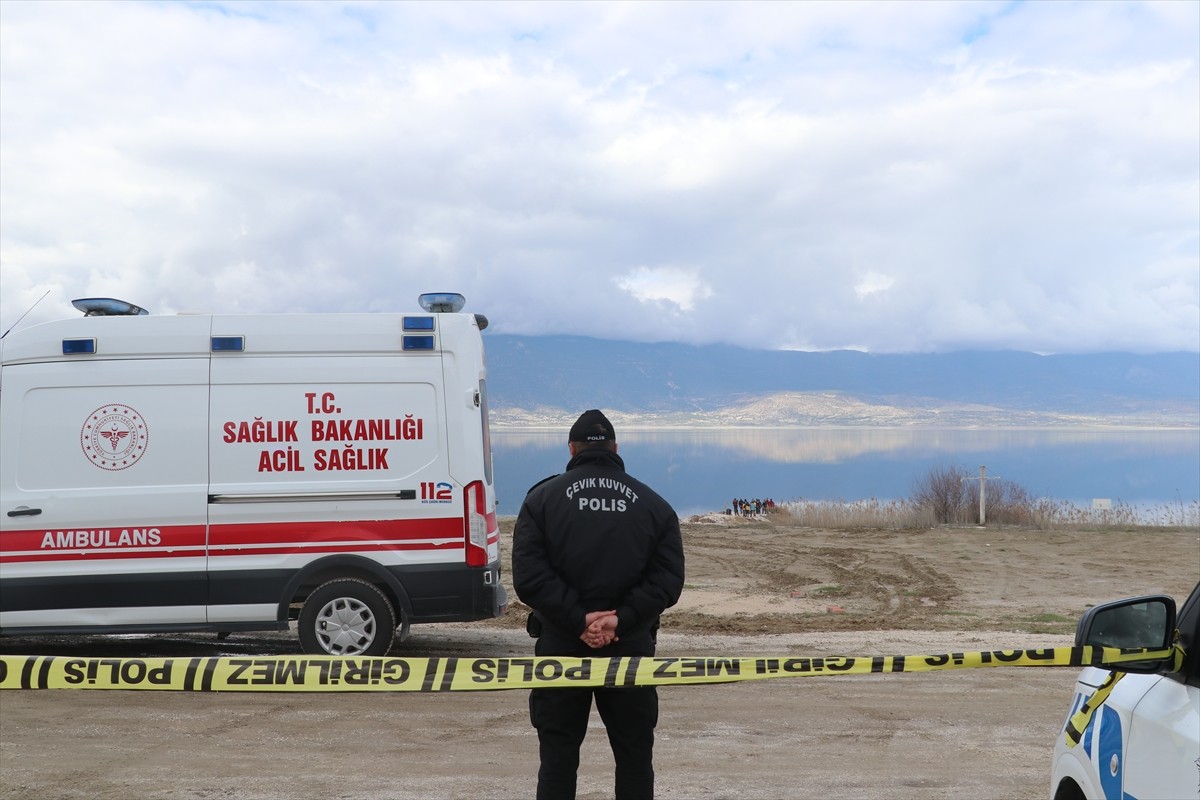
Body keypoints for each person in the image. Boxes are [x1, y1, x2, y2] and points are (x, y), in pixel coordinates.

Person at [512, 409, 685, 800]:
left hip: (560, 646)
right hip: (630, 647)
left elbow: (530, 578)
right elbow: (667, 581)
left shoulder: (541, 501)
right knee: (634, 757)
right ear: (616, 449)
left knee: (557, 758)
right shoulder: (654, 505)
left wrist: (578, 621)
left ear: (571, 450)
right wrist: (620, 620)